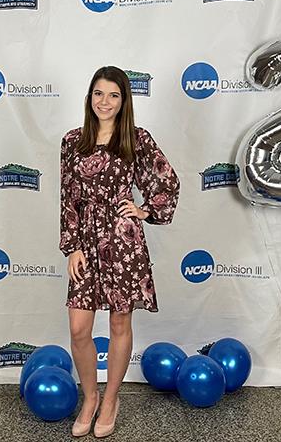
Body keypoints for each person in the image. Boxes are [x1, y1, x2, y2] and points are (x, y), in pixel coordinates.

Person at [59, 66, 180, 437]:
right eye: (98, 93)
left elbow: (167, 181)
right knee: (79, 328)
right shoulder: (72, 141)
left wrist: (145, 210)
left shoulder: (137, 139)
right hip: (86, 242)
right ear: (89, 97)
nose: (104, 102)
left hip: (123, 241)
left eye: (113, 95)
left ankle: (111, 398)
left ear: (124, 100)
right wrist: (72, 247)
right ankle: (90, 396)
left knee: (118, 323)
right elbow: (68, 198)